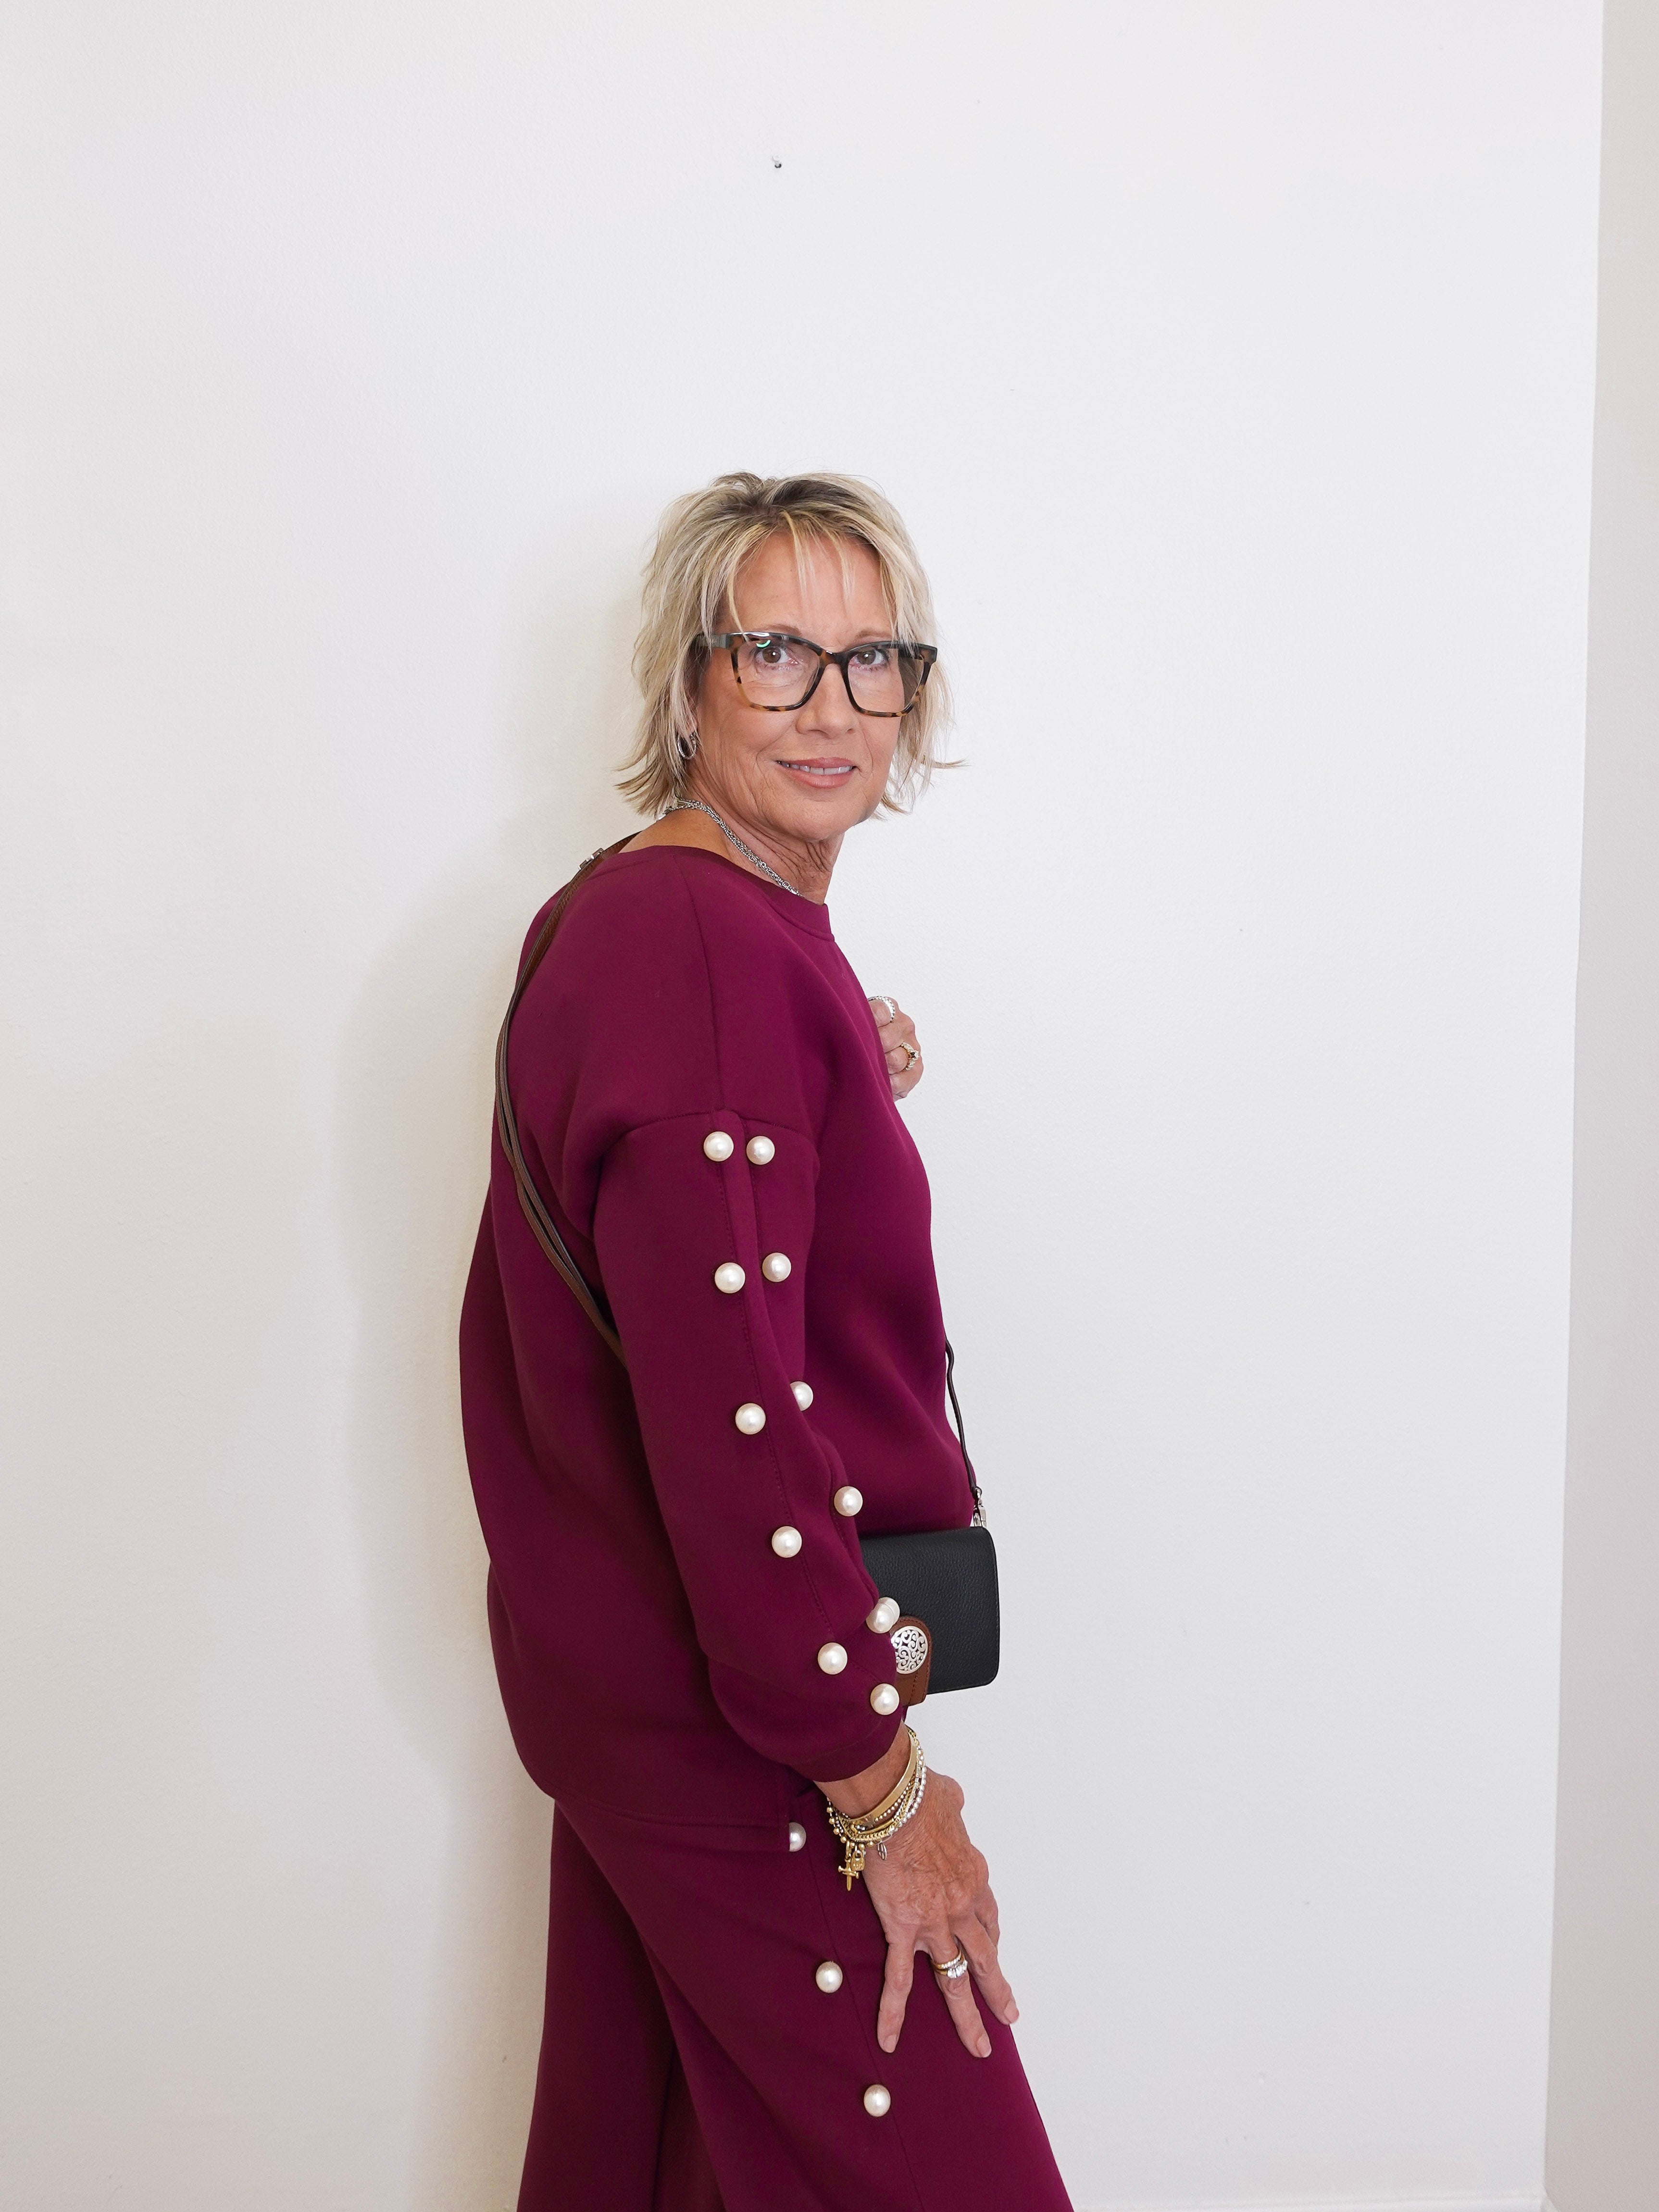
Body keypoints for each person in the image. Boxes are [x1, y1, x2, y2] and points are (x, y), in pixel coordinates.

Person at [460, 472, 1072, 2210]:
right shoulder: (701, 943)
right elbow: (736, 1418)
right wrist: (880, 1785)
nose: (830, 707)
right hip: (743, 1712)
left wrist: (820, 1063)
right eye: (774, 653)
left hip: (635, 1684)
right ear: (688, 680)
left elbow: (666, 1231)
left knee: (653, 2170)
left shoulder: (659, 911)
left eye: (872, 658)